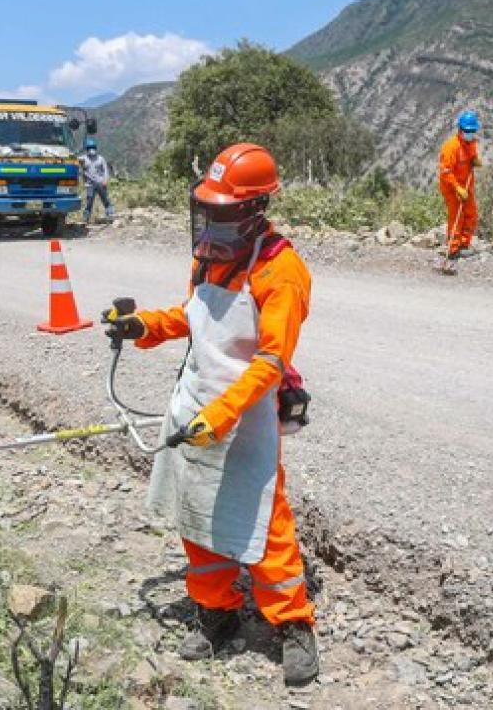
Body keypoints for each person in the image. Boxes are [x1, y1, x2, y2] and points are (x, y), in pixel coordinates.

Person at [102, 143, 318, 686]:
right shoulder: (208, 257)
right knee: (197, 518)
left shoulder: (281, 271)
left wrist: (223, 414)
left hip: (245, 418)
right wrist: (144, 327)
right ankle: (216, 613)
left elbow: (271, 360)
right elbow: (191, 318)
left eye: (223, 212)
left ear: (254, 210)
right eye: (208, 210)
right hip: (195, 407)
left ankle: (292, 625)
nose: (211, 222)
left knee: (264, 521)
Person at [437, 111, 483, 275]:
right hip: (452, 187)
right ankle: (453, 249)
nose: (470, 134)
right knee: (456, 216)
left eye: (472, 131)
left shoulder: (471, 143)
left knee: (471, 214)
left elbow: (471, 156)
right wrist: (457, 188)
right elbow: (445, 171)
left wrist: (474, 159)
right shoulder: (451, 147)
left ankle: (464, 244)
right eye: (467, 131)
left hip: (466, 184)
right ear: (460, 129)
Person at [78, 138, 114, 224]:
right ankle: (86, 218)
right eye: (90, 148)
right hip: (89, 184)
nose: (91, 150)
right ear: (87, 149)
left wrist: (105, 180)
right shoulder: (84, 159)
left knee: (105, 199)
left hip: (100, 183)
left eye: (93, 147)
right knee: (89, 201)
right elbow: (74, 160)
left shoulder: (100, 159)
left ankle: (110, 215)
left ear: (95, 148)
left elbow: (105, 170)